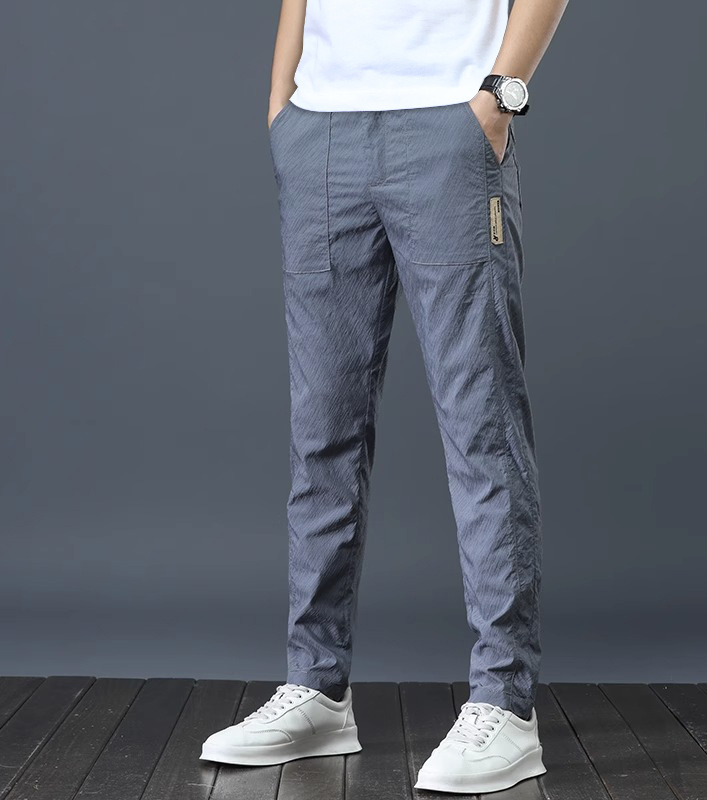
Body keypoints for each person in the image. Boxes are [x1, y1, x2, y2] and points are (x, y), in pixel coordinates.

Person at [200, 0, 568, 792]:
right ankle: (315, 687)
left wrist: (499, 96)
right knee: (322, 432)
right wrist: (283, 104)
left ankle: (504, 705)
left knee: (482, 428)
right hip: (320, 133)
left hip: (451, 123)